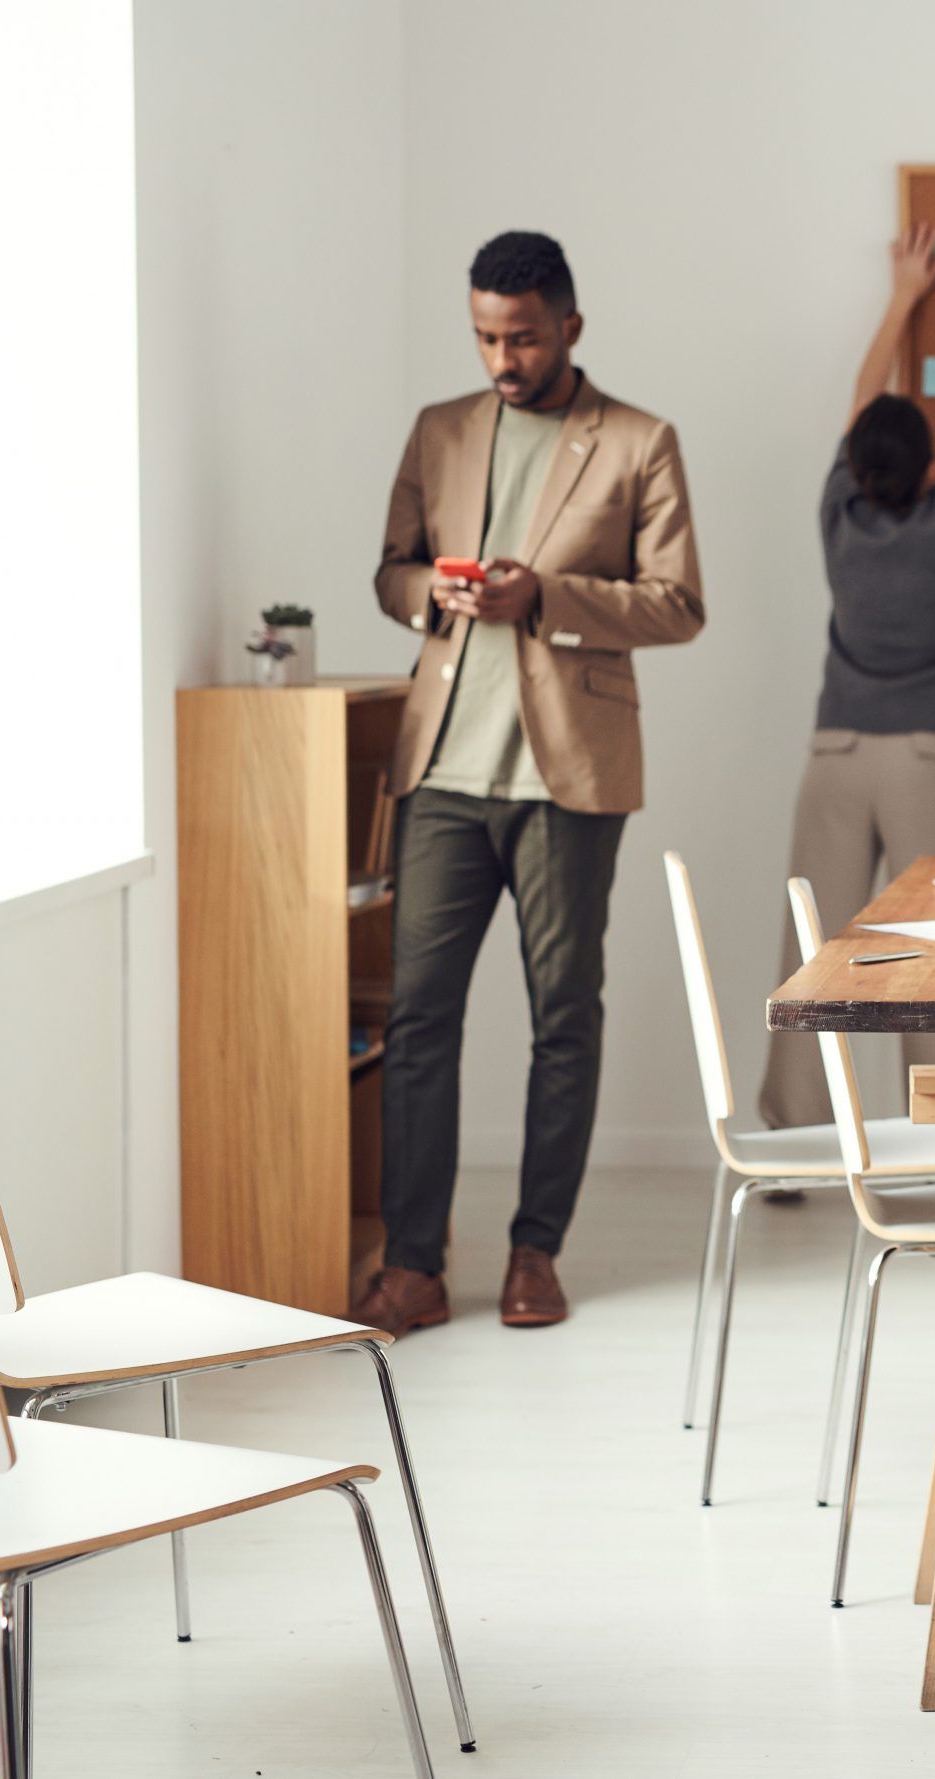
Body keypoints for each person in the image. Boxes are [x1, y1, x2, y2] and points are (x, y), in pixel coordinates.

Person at [354, 230, 705, 1336]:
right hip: (444, 771)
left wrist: (545, 597)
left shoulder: (640, 442)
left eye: (522, 337)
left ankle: (533, 1253)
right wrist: (437, 595)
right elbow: (390, 569)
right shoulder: (441, 431)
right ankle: (413, 1263)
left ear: (569, 327)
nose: (503, 358)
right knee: (418, 1021)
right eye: (486, 337)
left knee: (564, 1017)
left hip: (568, 778)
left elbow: (678, 603)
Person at [756, 224, 935, 1129]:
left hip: (837, 752)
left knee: (812, 946)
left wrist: (904, 291)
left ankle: (786, 1127)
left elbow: (866, 401)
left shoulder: (840, 516)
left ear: (856, 466)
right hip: (931, 758)